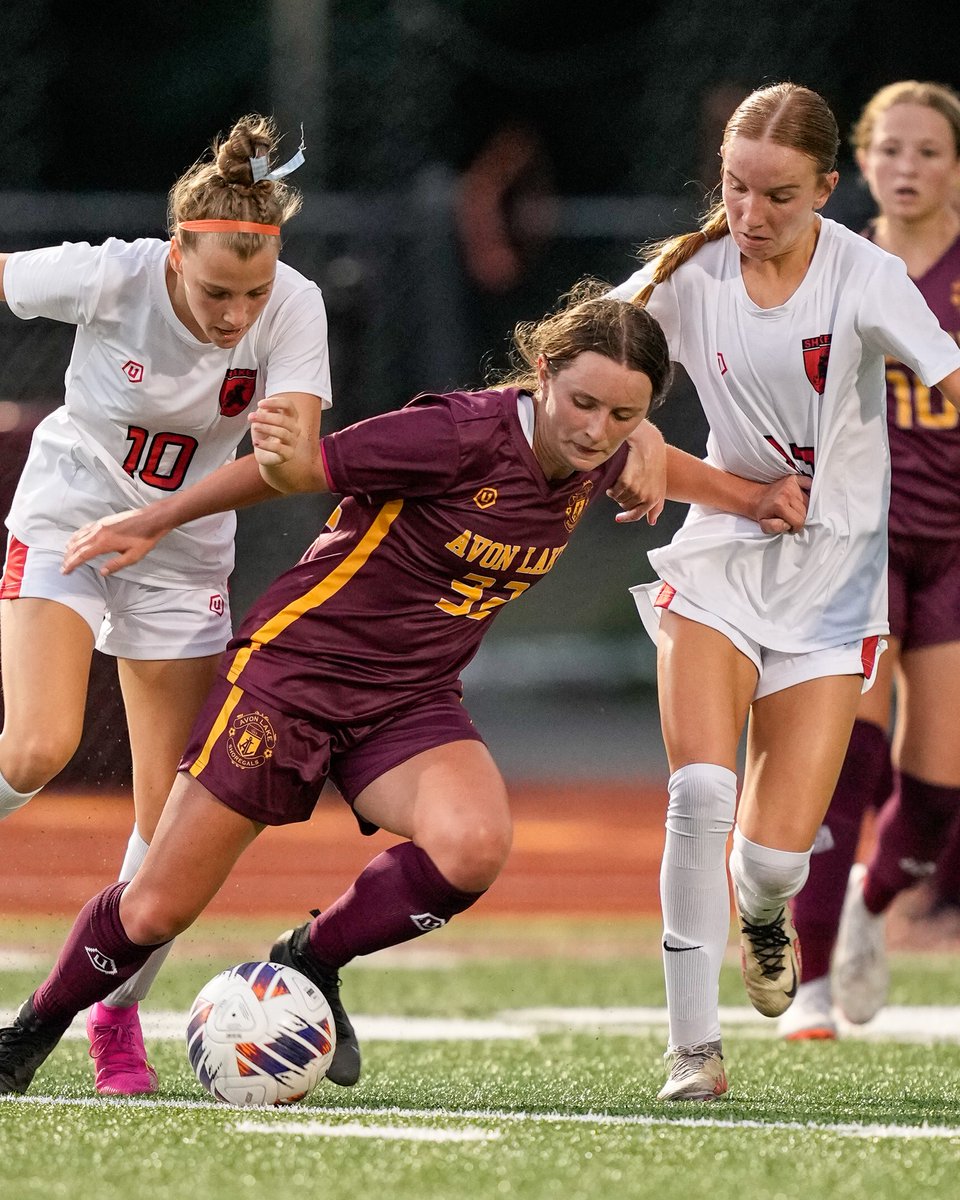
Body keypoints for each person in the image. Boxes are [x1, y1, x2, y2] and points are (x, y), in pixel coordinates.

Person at [0, 283, 814, 1097]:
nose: (597, 430)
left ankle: (312, 956)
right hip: (295, 680)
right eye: (583, 404)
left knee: (473, 846)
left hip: (411, 700)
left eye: (622, 416)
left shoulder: (604, 454)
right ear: (542, 371)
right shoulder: (453, 434)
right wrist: (158, 519)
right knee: (154, 914)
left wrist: (752, 497)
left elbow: (656, 460)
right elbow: (295, 469)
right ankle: (30, 1028)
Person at [609, 81, 960, 1101]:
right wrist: (627, 424)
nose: (751, 217)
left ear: (826, 190)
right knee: (701, 794)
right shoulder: (691, 271)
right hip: (721, 552)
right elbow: (581, 359)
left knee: (771, 862)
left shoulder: (868, 275)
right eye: (735, 189)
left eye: (779, 196)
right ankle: (692, 1051)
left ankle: (767, 914)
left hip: (838, 583)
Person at [0, 114, 332, 1096]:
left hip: (183, 551)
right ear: (174, 252)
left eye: (253, 296)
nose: (237, 317)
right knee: (36, 747)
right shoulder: (113, 273)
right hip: (70, 509)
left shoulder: (295, 305)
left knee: (175, 828)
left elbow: (296, 466)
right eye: (216, 293)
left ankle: (113, 1017)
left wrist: (264, 463)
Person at [785, 82, 960, 1038]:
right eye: (890, 149)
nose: (906, 168)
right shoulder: (833, 264)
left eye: (928, 151)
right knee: (848, 743)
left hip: (957, 545)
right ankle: (809, 982)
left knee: (937, 792)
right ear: (860, 161)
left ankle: (870, 903)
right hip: (862, 537)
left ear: (956, 165)